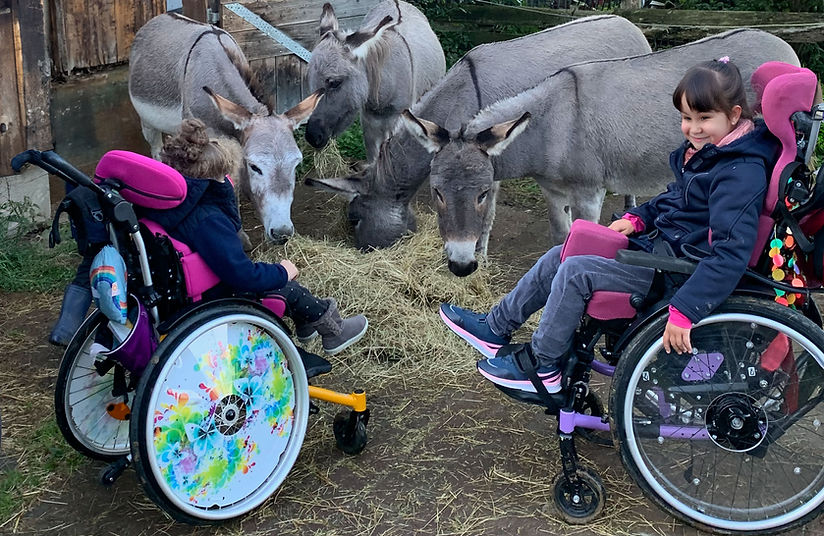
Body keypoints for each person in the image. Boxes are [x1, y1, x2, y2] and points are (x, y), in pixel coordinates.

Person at [440, 57, 780, 394]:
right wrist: (638, 217)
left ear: (734, 115)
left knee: (576, 271)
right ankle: (496, 327)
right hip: (665, 250)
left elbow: (729, 254)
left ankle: (543, 365)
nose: (693, 128)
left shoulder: (739, 174)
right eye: (686, 118)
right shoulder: (713, 155)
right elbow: (677, 199)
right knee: (563, 253)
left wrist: (686, 310)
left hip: (678, 273)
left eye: (704, 118)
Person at [142, 119, 368, 355]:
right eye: (226, 176)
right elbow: (243, 275)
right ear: (217, 177)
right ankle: (334, 331)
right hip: (215, 299)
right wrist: (282, 272)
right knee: (288, 287)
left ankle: (305, 325)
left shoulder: (172, 206)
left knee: (279, 280)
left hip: (185, 295)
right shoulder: (208, 219)